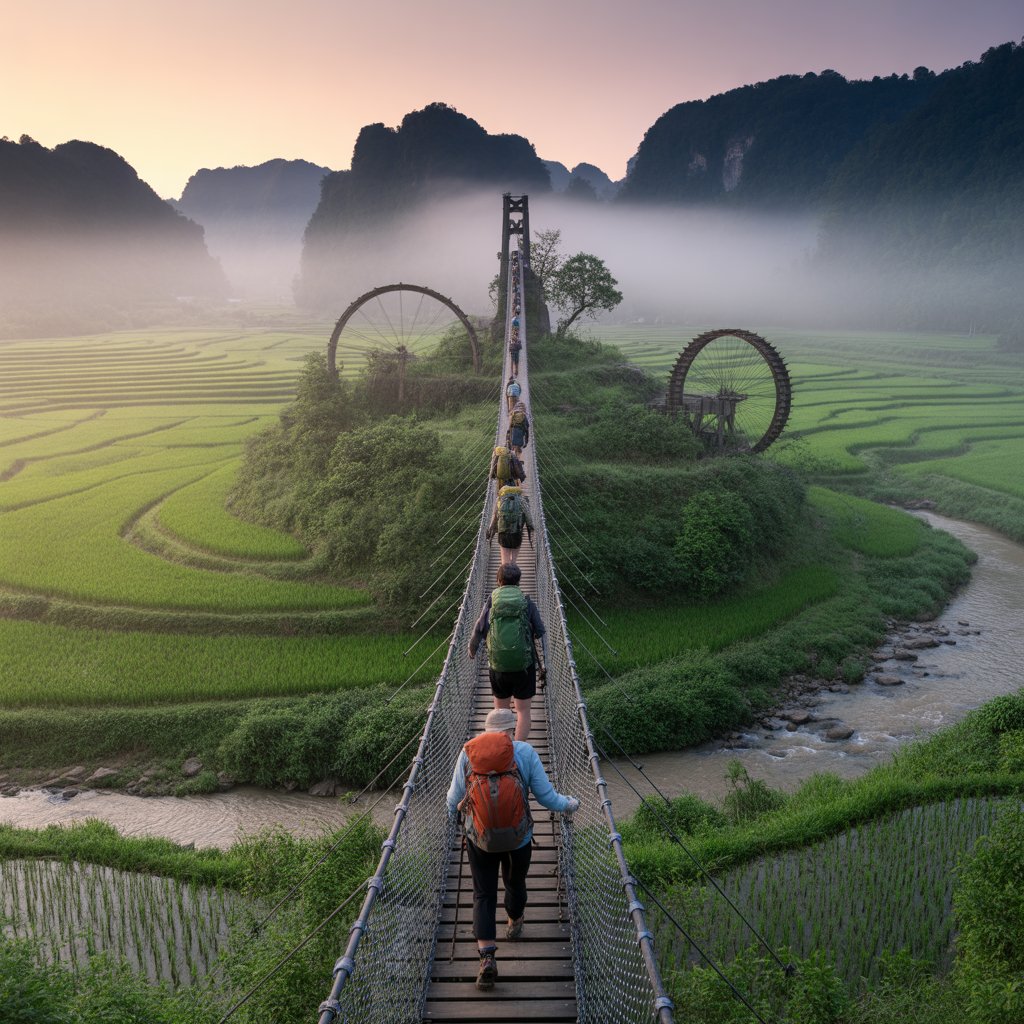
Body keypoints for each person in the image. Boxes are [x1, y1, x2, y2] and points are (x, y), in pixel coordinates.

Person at [446, 706, 579, 991]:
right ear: (511, 730)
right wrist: (569, 804)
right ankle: (514, 921)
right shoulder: (526, 753)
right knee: (515, 882)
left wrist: (457, 816)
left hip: (480, 838)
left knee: (483, 893)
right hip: (519, 838)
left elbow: (452, 798)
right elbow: (546, 797)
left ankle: (487, 958)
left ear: (486, 730)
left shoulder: (468, 752)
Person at [469, 562, 544, 740]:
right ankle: (517, 753)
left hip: (498, 666)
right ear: (518, 582)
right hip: (524, 666)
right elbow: (540, 631)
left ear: (498, 581)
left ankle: (502, 752)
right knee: (523, 712)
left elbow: (479, 628)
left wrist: (472, 649)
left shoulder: (491, 600)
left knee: (501, 712)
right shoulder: (527, 602)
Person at [486, 485, 533, 566]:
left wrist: (490, 530)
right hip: (517, 533)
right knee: (513, 562)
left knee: (505, 563)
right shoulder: (522, 500)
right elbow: (529, 517)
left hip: (503, 533)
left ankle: (505, 576)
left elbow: (494, 517)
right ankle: (514, 571)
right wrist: (531, 528)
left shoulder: (499, 499)